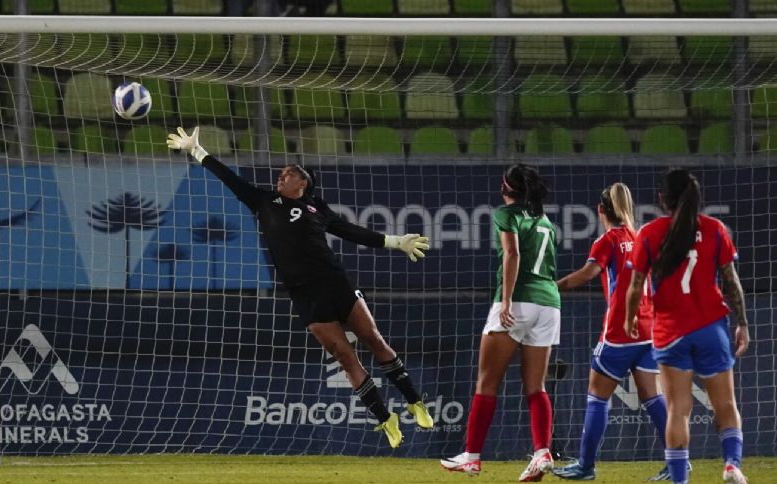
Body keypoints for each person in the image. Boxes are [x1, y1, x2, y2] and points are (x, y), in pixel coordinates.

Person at [166, 127, 434, 448]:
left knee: (373, 339)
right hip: (304, 293)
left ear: (302, 183)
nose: (282, 175)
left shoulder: (316, 208)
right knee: (344, 356)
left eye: (289, 173)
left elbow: (349, 230)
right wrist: (198, 151)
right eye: (282, 173)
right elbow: (231, 181)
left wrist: (394, 241)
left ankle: (415, 401)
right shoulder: (264, 202)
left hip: (334, 282)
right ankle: (385, 419)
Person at [625, 168, 750, 484]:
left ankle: (680, 480)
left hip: (670, 333)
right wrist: (743, 323)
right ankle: (732, 465)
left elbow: (635, 285)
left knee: (678, 410)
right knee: (725, 404)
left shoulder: (650, 233)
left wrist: (629, 319)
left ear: (662, 199)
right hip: (711, 328)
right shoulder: (714, 229)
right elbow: (731, 281)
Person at [440, 164, 559, 482]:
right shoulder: (544, 219)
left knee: (487, 383)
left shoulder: (505, 215)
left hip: (517, 301)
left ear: (505, 188)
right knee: (536, 387)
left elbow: (512, 253)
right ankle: (542, 452)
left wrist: (506, 300)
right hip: (549, 304)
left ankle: (472, 457)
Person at [553, 183, 674, 481]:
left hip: (620, 331)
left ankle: (585, 466)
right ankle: (677, 462)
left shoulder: (607, 240)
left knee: (597, 397)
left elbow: (587, 274)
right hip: (648, 328)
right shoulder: (641, 236)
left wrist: (552, 287)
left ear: (600, 210)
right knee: (652, 397)